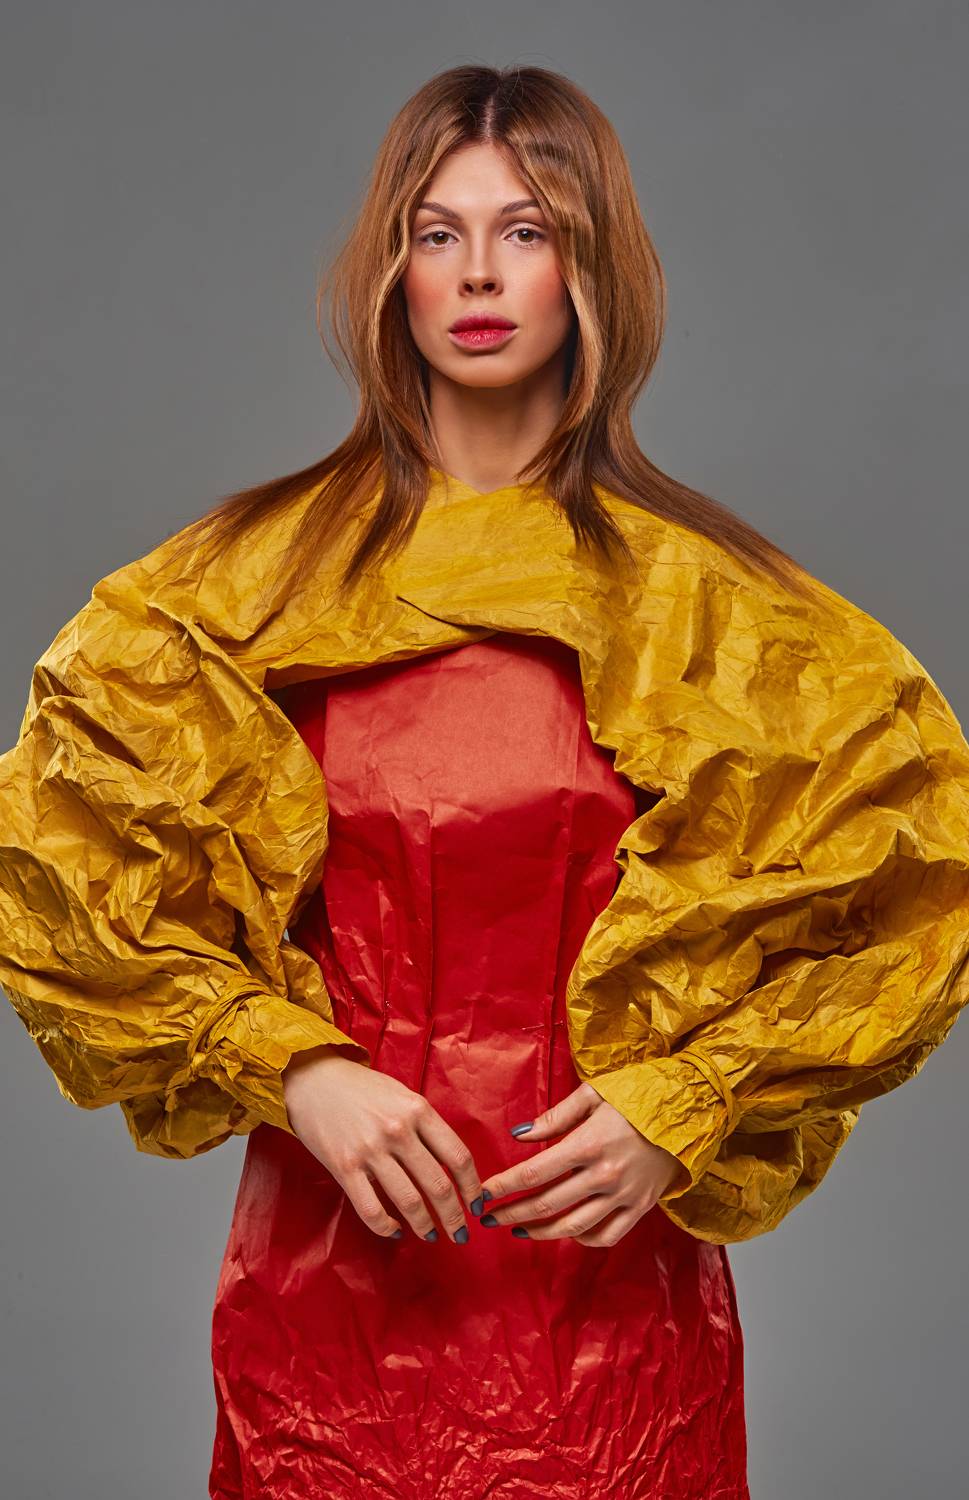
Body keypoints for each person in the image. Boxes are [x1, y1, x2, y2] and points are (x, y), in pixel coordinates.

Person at [2, 63, 968, 1500]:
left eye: (527, 232)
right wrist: (295, 1067)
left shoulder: (722, 618)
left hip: (612, 1304)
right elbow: (69, 883)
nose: (477, 275)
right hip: (330, 1284)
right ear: (390, 272)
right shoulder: (227, 598)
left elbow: (914, 894)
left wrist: (685, 1098)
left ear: (592, 268)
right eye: (435, 233)